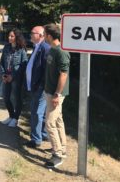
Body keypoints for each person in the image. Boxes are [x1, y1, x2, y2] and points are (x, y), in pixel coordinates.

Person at [43, 23, 70, 168]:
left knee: (49, 123)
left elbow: (63, 75)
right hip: (50, 92)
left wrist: (57, 94)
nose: (43, 36)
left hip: (56, 95)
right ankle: (62, 148)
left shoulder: (61, 52)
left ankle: (57, 155)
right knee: (58, 121)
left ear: (49, 35)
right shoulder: (52, 50)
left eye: (44, 33)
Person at [24, 26, 50, 148]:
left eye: (32, 33)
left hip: (39, 87)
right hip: (35, 86)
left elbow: (46, 71)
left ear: (40, 35)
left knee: (36, 113)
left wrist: (41, 86)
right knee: (41, 112)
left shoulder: (45, 48)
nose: (30, 34)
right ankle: (43, 134)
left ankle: (36, 139)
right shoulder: (37, 47)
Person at [0, 28, 28, 127]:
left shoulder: (21, 49)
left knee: (17, 99)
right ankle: (11, 116)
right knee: (6, 98)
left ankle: (16, 119)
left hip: (16, 78)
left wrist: (13, 76)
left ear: (16, 37)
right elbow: (2, 62)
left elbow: (24, 65)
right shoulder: (6, 47)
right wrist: (3, 74)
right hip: (6, 77)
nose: (9, 37)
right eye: (9, 36)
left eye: (12, 36)